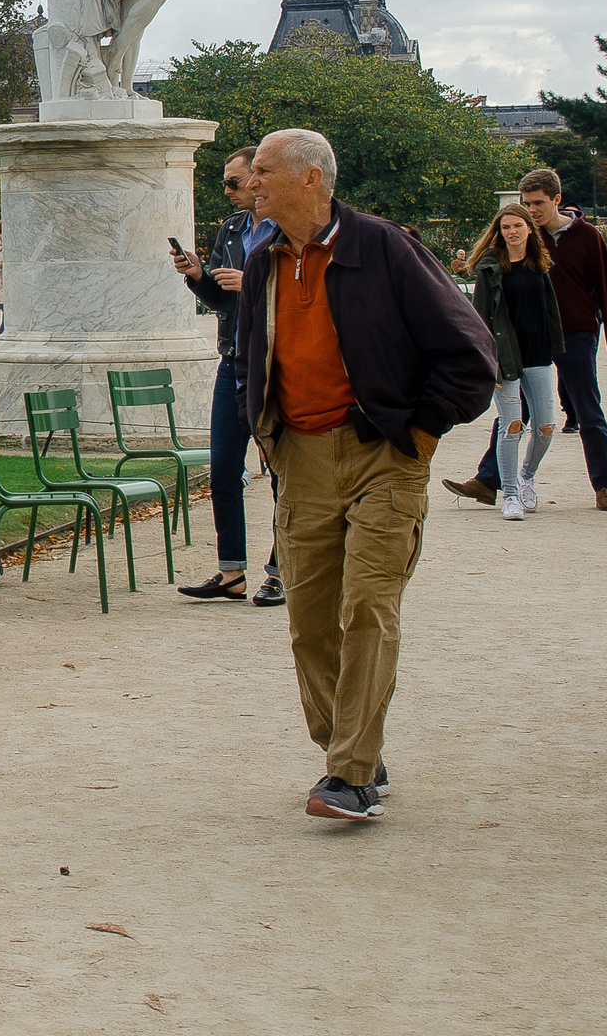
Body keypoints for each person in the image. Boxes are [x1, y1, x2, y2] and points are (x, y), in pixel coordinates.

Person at [236, 129, 496, 822]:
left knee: (368, 609)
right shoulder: (263, 263)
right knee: (310, 624)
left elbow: (473, 355)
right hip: (302, 458)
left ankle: (349, 774)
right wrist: (268, 433)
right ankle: (352, 746)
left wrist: (418, 431)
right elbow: (247, 361)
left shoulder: (384, 248)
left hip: (384, 454)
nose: (249, 181)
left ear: (311, 178)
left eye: (262, 171)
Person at [443, 169, 607, 511]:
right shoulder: (525, 236)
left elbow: (606, 289)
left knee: (587, 409)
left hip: (576, 333)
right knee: (515, 414)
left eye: (538, 203)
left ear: (557, 199)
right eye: (527, 203)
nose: (532, 210)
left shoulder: (587, 236)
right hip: (525, 339)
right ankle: (489, 482)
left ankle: (603, 485)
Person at [173, 144, 285, 604]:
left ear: (260, 178)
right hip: (234, 358)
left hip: (277, 363)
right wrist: (198, 276)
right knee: (223, 468)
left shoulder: (292, 229)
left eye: (233, 182)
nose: (228, 190)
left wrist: (253, 282)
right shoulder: (232, 228)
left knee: (285, 473)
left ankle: (281, 572)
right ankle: (231, 572)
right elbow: (221, 302)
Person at [448, 210, 559, 520]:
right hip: (505, 357)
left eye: (517, 225)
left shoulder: (540, 263)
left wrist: (557, 345)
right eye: (506, 227)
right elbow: (479, 317)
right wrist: (488, 362)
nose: (512, 231)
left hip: (538, 355)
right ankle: (509, 494)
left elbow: (549, 309)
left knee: (546, 426)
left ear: (529, 229)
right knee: (511, 426)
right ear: (499, 231)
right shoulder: (490, 267)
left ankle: (527, 475)